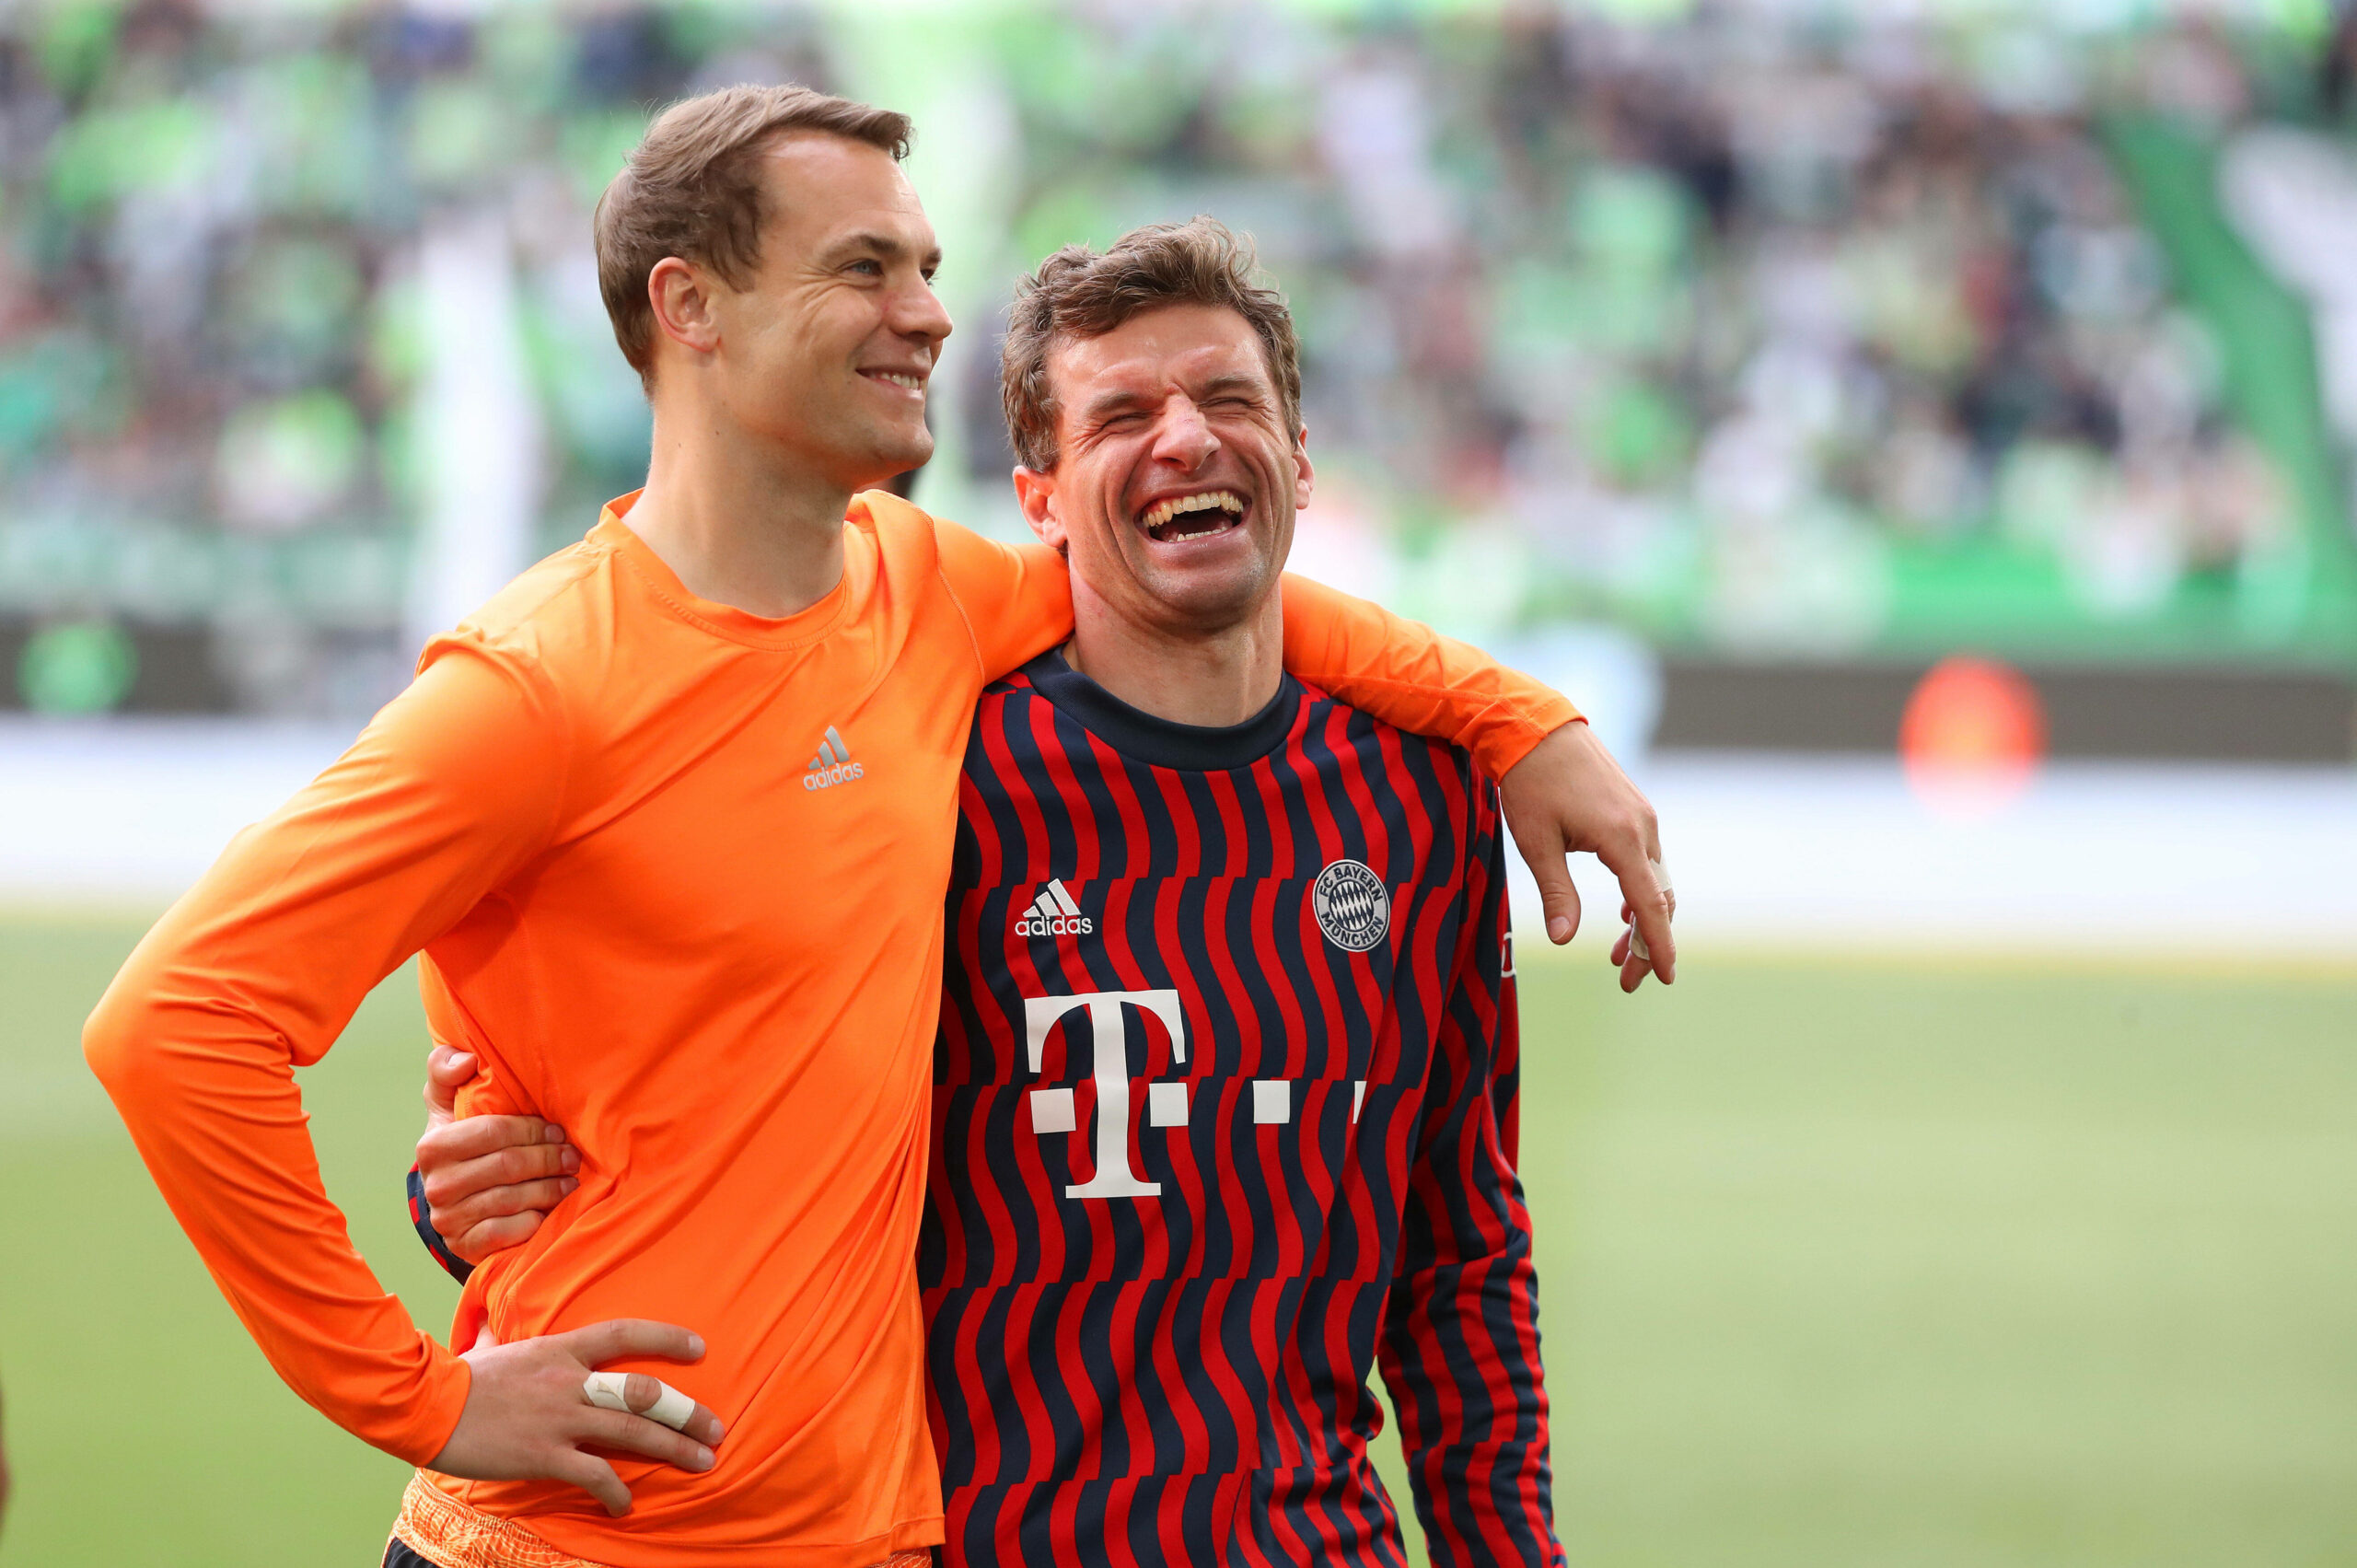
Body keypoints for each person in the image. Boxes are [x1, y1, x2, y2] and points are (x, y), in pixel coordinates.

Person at [84, 86, 1666, 1568]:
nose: (926, 311)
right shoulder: (535, 688)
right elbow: (178, 1024)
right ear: (689, 309)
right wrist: (421, 1391)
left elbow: (1179, 583)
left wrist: (1514, 714)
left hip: (869, 1534)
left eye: (923, 266)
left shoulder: (921, 595)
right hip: (584, 1540)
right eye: (864, 268)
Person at [419, 218, 1573, 1565]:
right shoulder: (929, 771)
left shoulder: (1421, 799)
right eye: (1124, 414)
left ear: (1301, 464)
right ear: (1037, 501)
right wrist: (470, 1195)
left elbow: (1460, 1261)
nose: (1187, 439)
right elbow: (708, 1120)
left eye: (1229, 400)